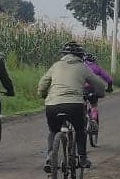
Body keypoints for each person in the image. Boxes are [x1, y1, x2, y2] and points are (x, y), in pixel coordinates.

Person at [38, 41, 107, 169]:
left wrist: (43, 94)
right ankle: (82, 158)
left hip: (52, 105)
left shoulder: (56, 65)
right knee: (80, 129)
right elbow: (99, 84)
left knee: (53, 131)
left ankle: (49, 158)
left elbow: (43, 83)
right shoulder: (83, 67)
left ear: (63, 54)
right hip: (74, 105)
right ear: (80, 55)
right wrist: (100, 94)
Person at [82, 52, 115, 121]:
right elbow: (108, 78)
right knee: (94, 104)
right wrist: (110, 87)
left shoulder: (81, 66)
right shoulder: (97, 67)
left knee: (82, 102)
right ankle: (94, 119)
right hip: (92, 89)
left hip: (81, 88)